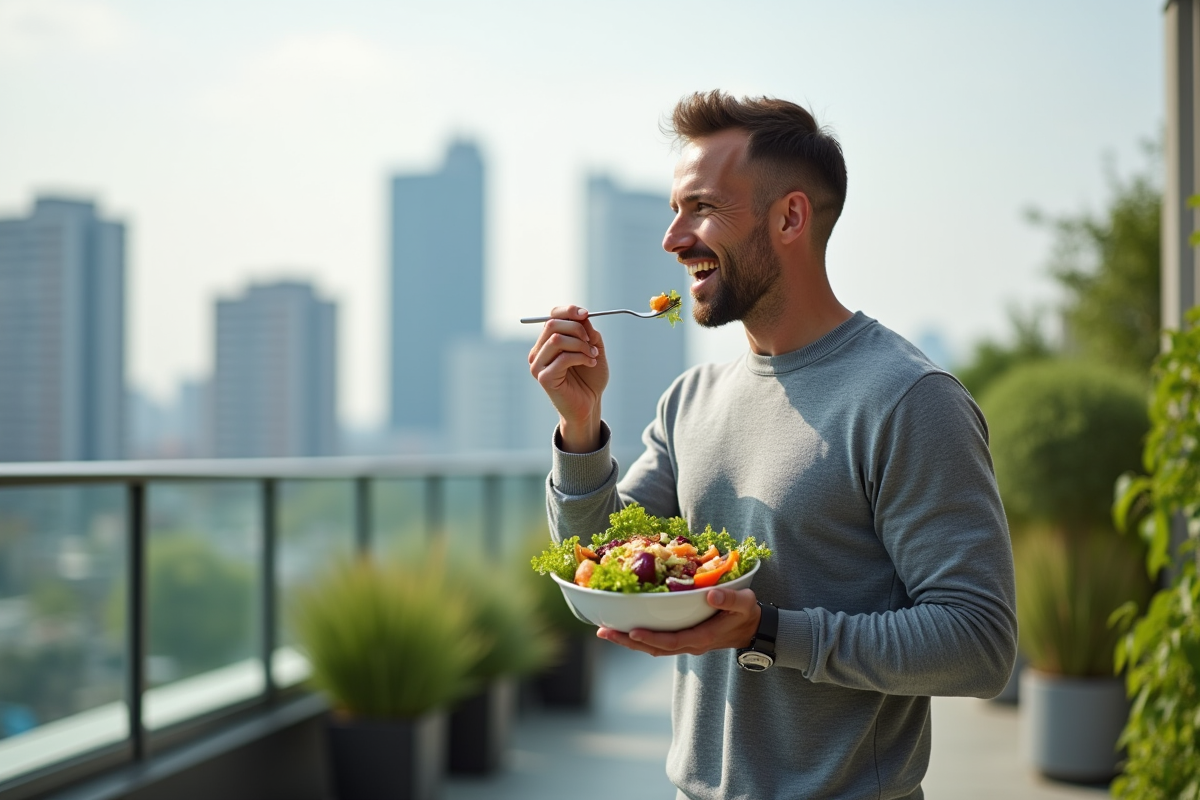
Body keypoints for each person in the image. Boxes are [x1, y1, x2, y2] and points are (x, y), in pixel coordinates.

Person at [527, 90, 1017, 800]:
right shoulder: (689, 401)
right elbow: (599, 567)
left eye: (701, 208)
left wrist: (767, 634)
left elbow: (979, 644)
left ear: (789, 216)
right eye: (674, 210)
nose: (672, 239)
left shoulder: (909, 399)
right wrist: (580, 426)